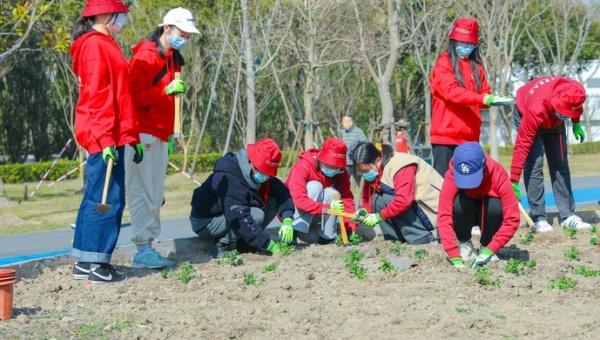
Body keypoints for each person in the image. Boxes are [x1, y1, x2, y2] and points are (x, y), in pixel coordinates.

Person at [70, 0, 140, 283]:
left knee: (96, 194)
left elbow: (120, 94)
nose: (123, 20)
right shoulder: (95, 46)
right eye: (120, 15)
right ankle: (99, 264)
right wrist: (105, 138)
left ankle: (85, 261)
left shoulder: (104, 43)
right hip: (103, 132)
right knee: (107, 199)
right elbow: (97, 96)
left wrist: (128, 135)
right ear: (103, 14)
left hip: (111, 131)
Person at [126, 7, 200, 269]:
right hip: (142, 132)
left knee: (156, 194)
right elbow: (132, 98)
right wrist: (165, 90)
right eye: (183, 33)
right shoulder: (145, 56)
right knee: (143, 192)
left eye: (189, 35)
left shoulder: (172, 57)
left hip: (161, 132)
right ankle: (142, 249)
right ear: (167, 28)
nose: (186, 39)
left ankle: (148, 246)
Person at [429, 17, 513, 176]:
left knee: (470, 186)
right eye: (461, 42)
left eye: (469, 44)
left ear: (475, 45)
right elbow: (451, 92)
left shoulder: (477, 66)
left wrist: (491, 99)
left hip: (469, 137)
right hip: (445, 137)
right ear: (453, 41)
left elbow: (484, 93)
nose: (465, 47)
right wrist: (482, 99)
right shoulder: (444, 62)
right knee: (443, 184)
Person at [510, 76, 591, 232]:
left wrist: (575, 122)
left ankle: (568, 216)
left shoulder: (576, 90)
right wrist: (513, 179)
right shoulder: (535, 109)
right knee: (535, 164)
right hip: (527, 111)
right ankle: (539, 218)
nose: (566, 116)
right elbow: (522, 146)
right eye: (564, 114)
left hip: (553, 116)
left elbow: (574, 105)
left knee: (560, 163)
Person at [190, 138, 294, 256]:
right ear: (251, 163)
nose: (265, 177)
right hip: (206, 221)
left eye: (269, 175)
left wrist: (287, 218)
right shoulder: (230, 178)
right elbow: (240, 219)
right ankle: (223, 245)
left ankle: (244, 244)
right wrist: (268, 244)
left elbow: (282, 192)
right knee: (256, 215)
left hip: (229, 215)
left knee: (273, 200)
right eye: (263, 173)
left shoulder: (259, 175)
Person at [438, 142, 520, 269]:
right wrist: (453, 254)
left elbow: (513, 219)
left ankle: (485, 245)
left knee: (495, 207)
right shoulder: (452, 174)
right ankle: (465, 244)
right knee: (458, 203)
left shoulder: (498, 174)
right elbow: (443, 215)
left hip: (489, 214)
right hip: (467, 210)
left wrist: (491, 249)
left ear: (483, 165)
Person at [352, 142, 441, 245]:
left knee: (389, 199)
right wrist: (364, 210)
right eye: (360, 172)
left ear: (377, 160)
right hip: (416, 207)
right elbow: (370, 195)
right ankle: (394, 240)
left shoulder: (400, 165)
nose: (364, 174)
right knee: (378, 199)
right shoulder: (375, 169)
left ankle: (422, 239)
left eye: (365, 171)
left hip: (431, 209)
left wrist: (379, 216)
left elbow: (404, 200)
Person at [286, 137, 357, 244]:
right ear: (321, 159)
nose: (333, 169)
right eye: (329, 165)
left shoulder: (341, 172)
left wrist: (350, 228)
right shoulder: (304, 165)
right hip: (295, 213)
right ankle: (295, 231)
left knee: (332, 193)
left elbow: (347, 198)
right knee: (315, 186)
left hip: (317, 215)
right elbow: (299, 200)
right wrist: (328, 208)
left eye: (336, 167)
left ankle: (327, 236)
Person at [340, 116, 368, 185]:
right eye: (343, 123)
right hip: (346, 162)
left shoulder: (358, 131)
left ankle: (359, 194)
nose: (343, 125)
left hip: (356, 162)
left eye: (344, 123)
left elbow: (366, 143)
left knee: (358, 182)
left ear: (350, 122)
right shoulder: (342, 131)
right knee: (344, 181)